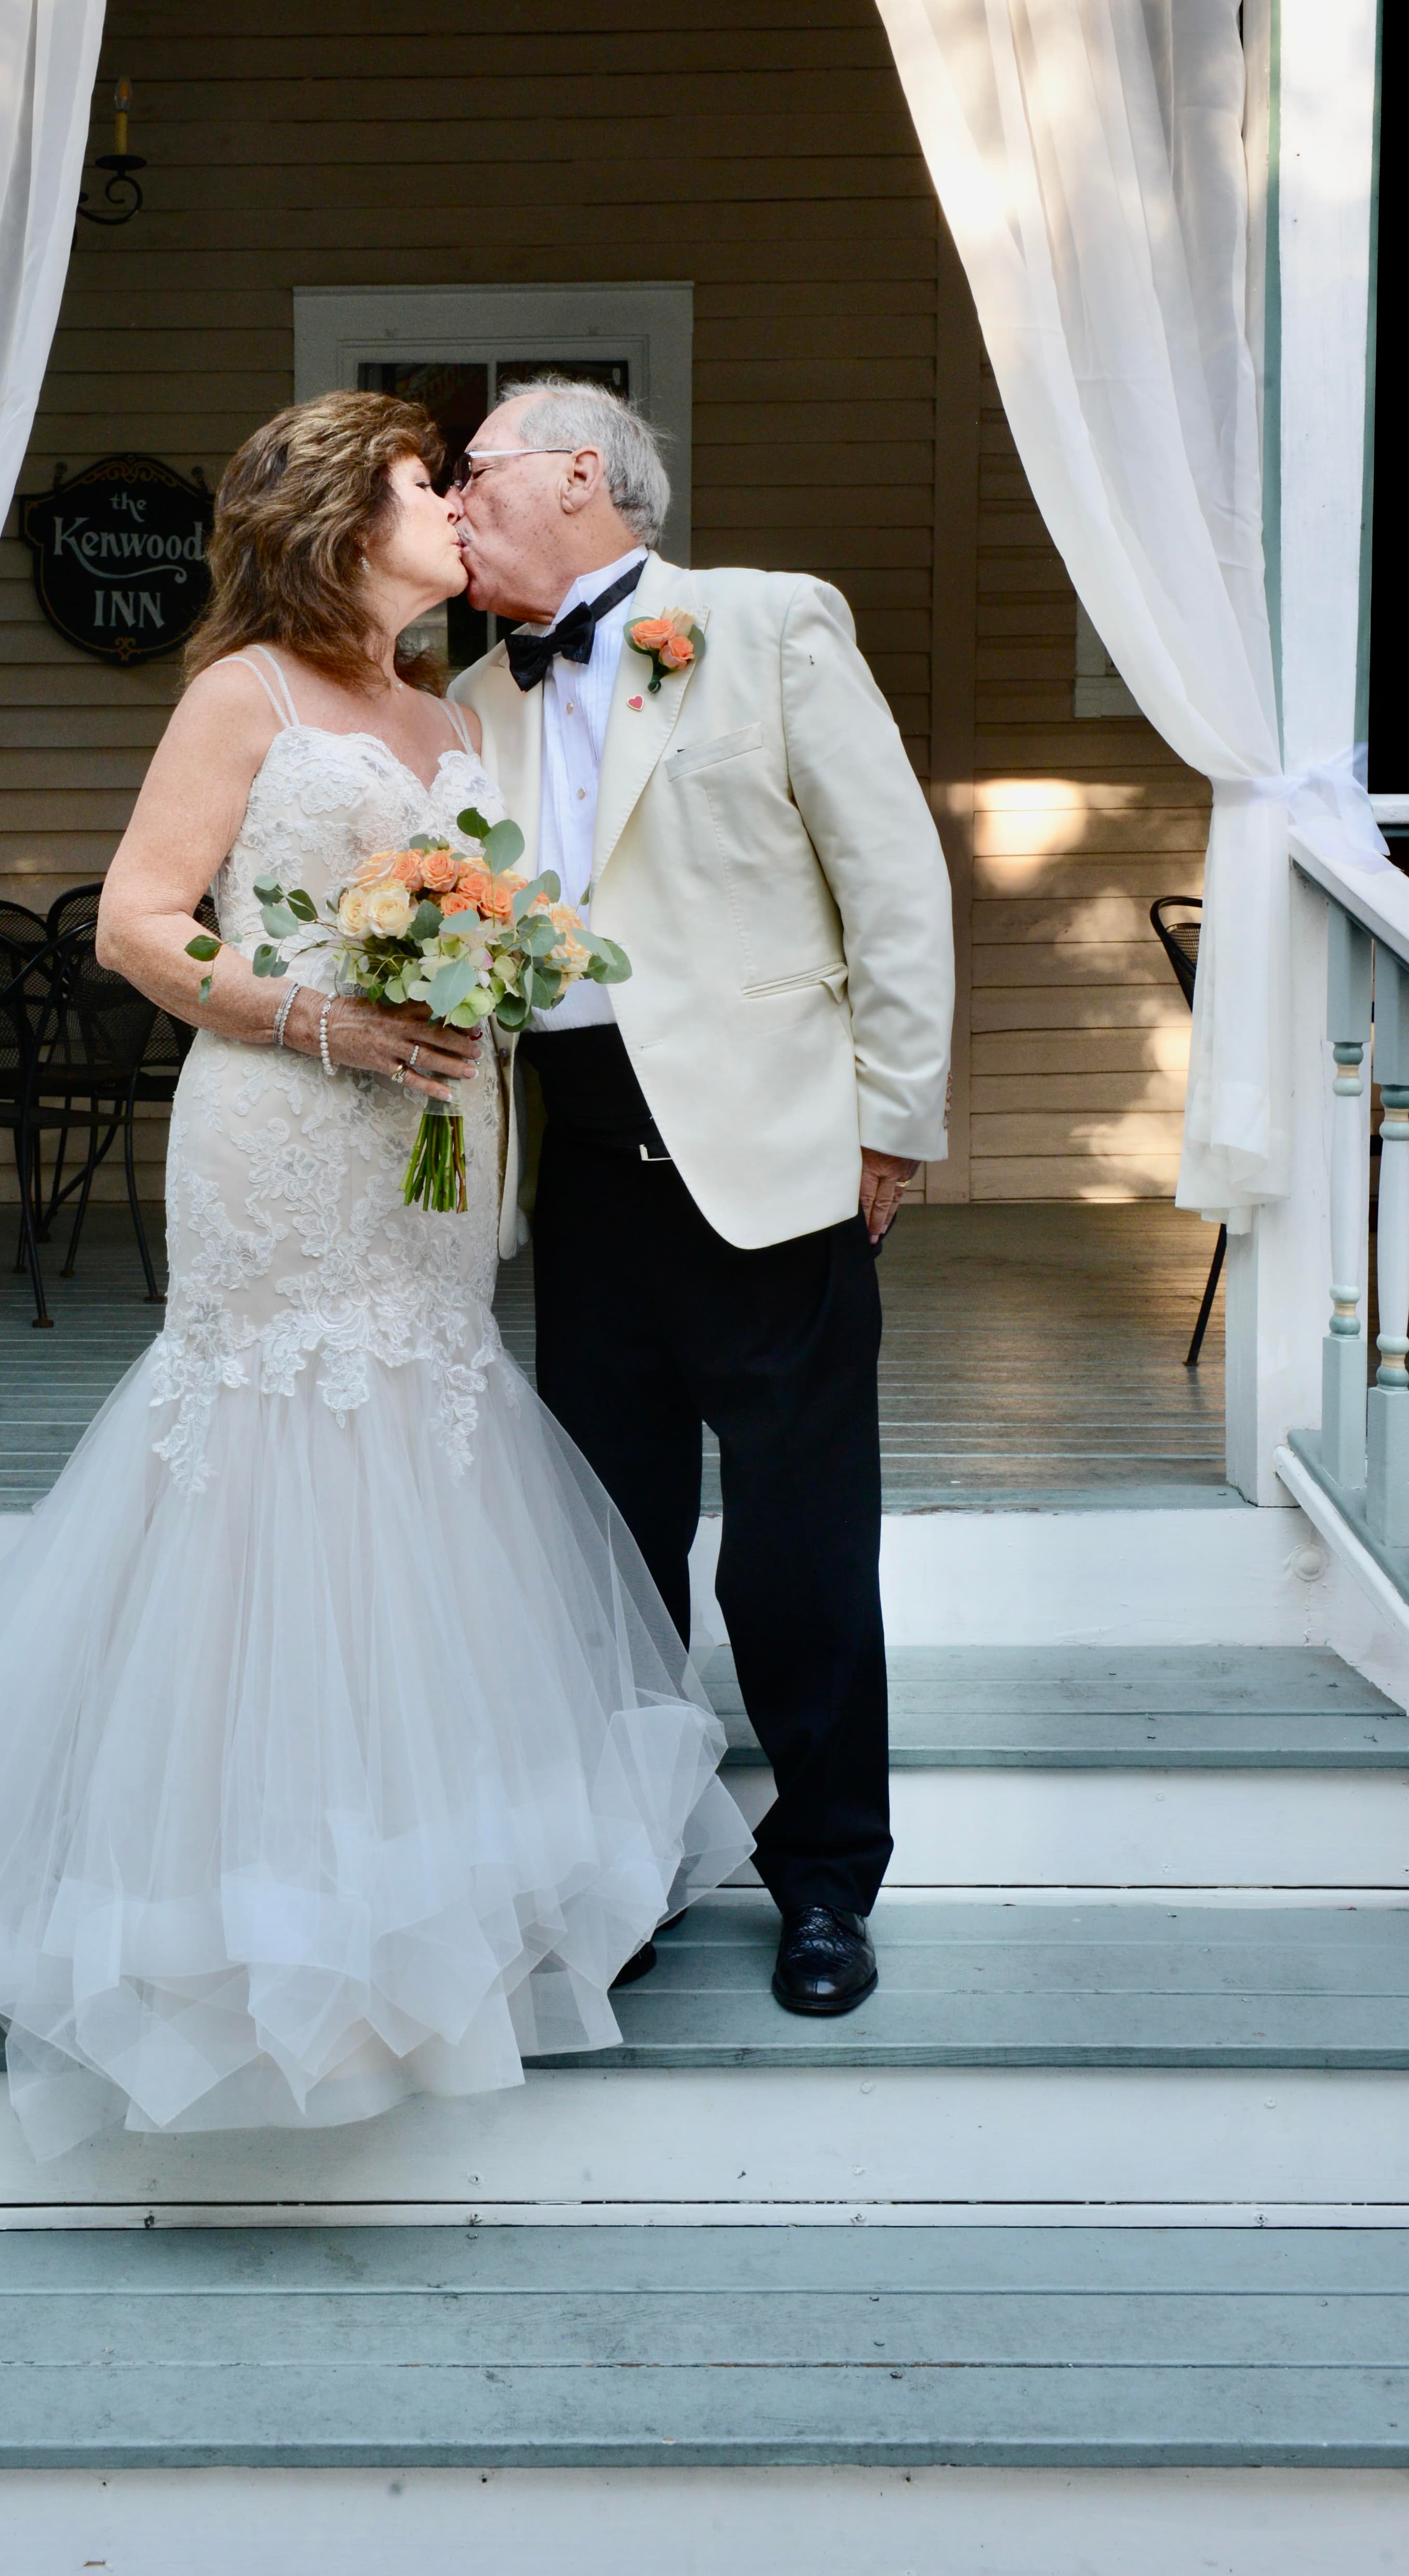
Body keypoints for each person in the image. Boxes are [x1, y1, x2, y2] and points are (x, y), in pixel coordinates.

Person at [0, 391, 743, 2156]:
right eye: (420, 483)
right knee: (275, 1449)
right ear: (336, 516)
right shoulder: (245, 694)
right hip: (284, 1132)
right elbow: (139, 925)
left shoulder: (453, 703)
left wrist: (486, 986)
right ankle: (236, 1901)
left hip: (434, 1158)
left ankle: (414, 1875)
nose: (457, 507)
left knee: (422, 1442)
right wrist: (325, 1014)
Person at [450, 380, 953, 2015]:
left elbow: (892, 878)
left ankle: (824, 1881)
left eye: (478, 474)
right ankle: (628, 1867)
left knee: (800, 1554)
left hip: (779, 1160)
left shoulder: (765, 621)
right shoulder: (473, 697)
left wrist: (896, 1122)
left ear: (580, 473)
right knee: (610, 1548)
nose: (457, 507)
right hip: (583, 1172)